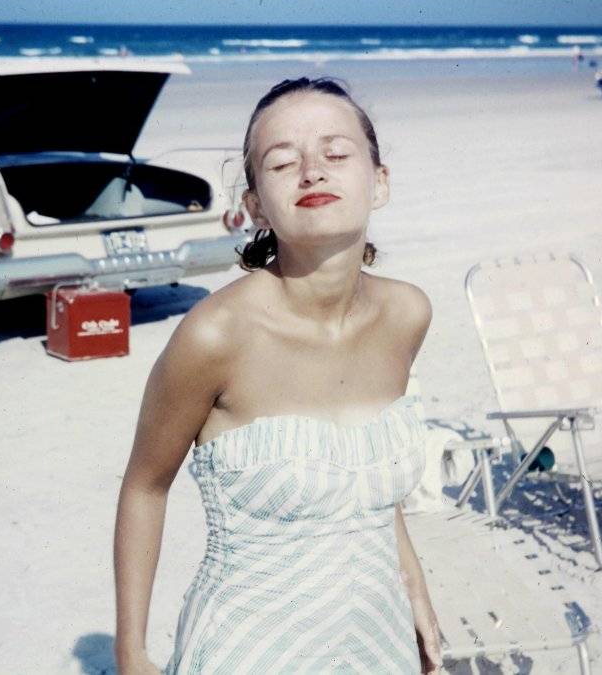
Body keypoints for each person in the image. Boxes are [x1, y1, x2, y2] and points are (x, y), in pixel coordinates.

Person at [114, 77, 442, 674]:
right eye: (284, 162)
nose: (312, 172)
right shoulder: (215, 335)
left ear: (380, 181)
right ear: (256, 205)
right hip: (247, 650)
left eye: (336, 154)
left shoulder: (406, 314)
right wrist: (131, 652)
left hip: (380, 641)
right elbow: (145, 486)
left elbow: (362, 477)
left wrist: (413, 583)